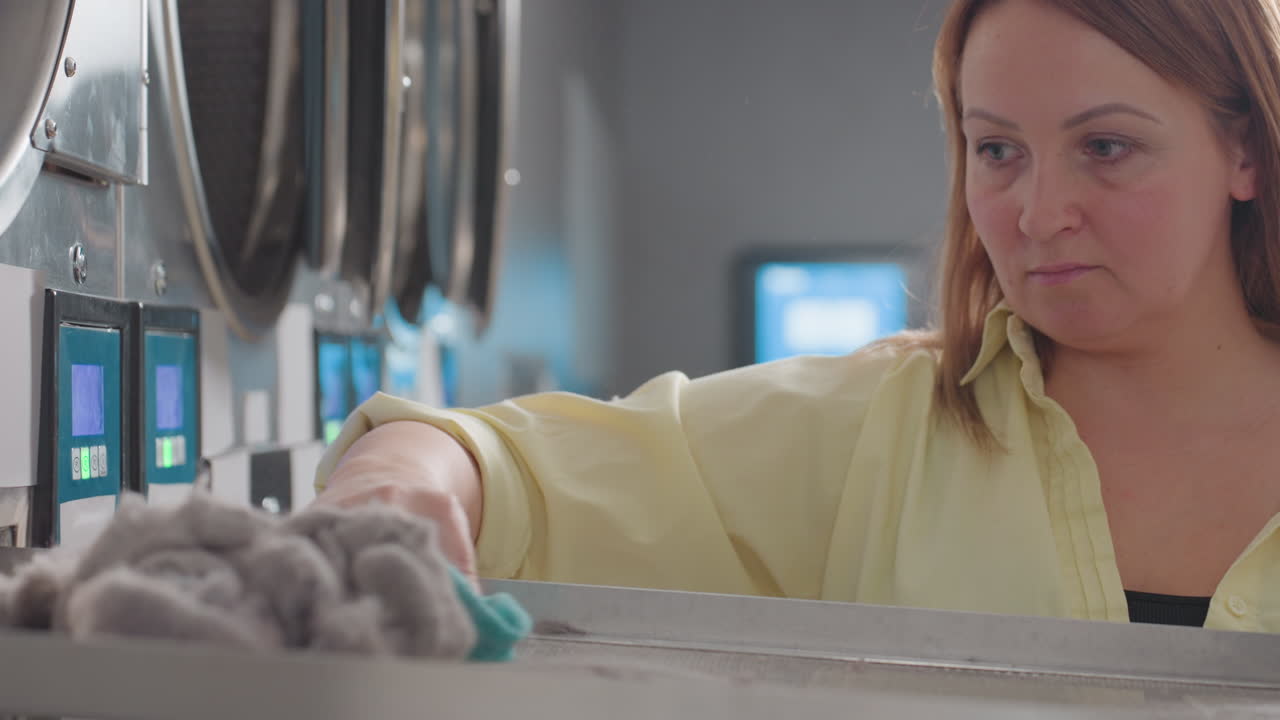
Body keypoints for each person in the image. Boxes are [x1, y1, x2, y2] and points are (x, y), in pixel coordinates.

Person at [314, 0, 1280, 631]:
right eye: (997, 151)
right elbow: (509, 466)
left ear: (1244, 150)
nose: (1035, 212)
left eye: (1106, 147)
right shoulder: (884, 429)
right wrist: (395, 478)